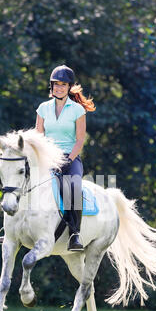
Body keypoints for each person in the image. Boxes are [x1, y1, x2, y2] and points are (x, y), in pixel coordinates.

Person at [35, 64, 96, 251]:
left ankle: (75, 233)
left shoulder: (77, 110)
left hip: (70, 158)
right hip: (47, 157)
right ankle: (10, 227)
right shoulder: (43, 108)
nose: (59, 88)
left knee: (74, 187)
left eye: (63, 85)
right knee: (21, 180)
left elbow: (79, 140)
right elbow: (38, 136)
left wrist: (69, 159)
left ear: (69, 87)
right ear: (51, 86)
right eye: (56, 84)